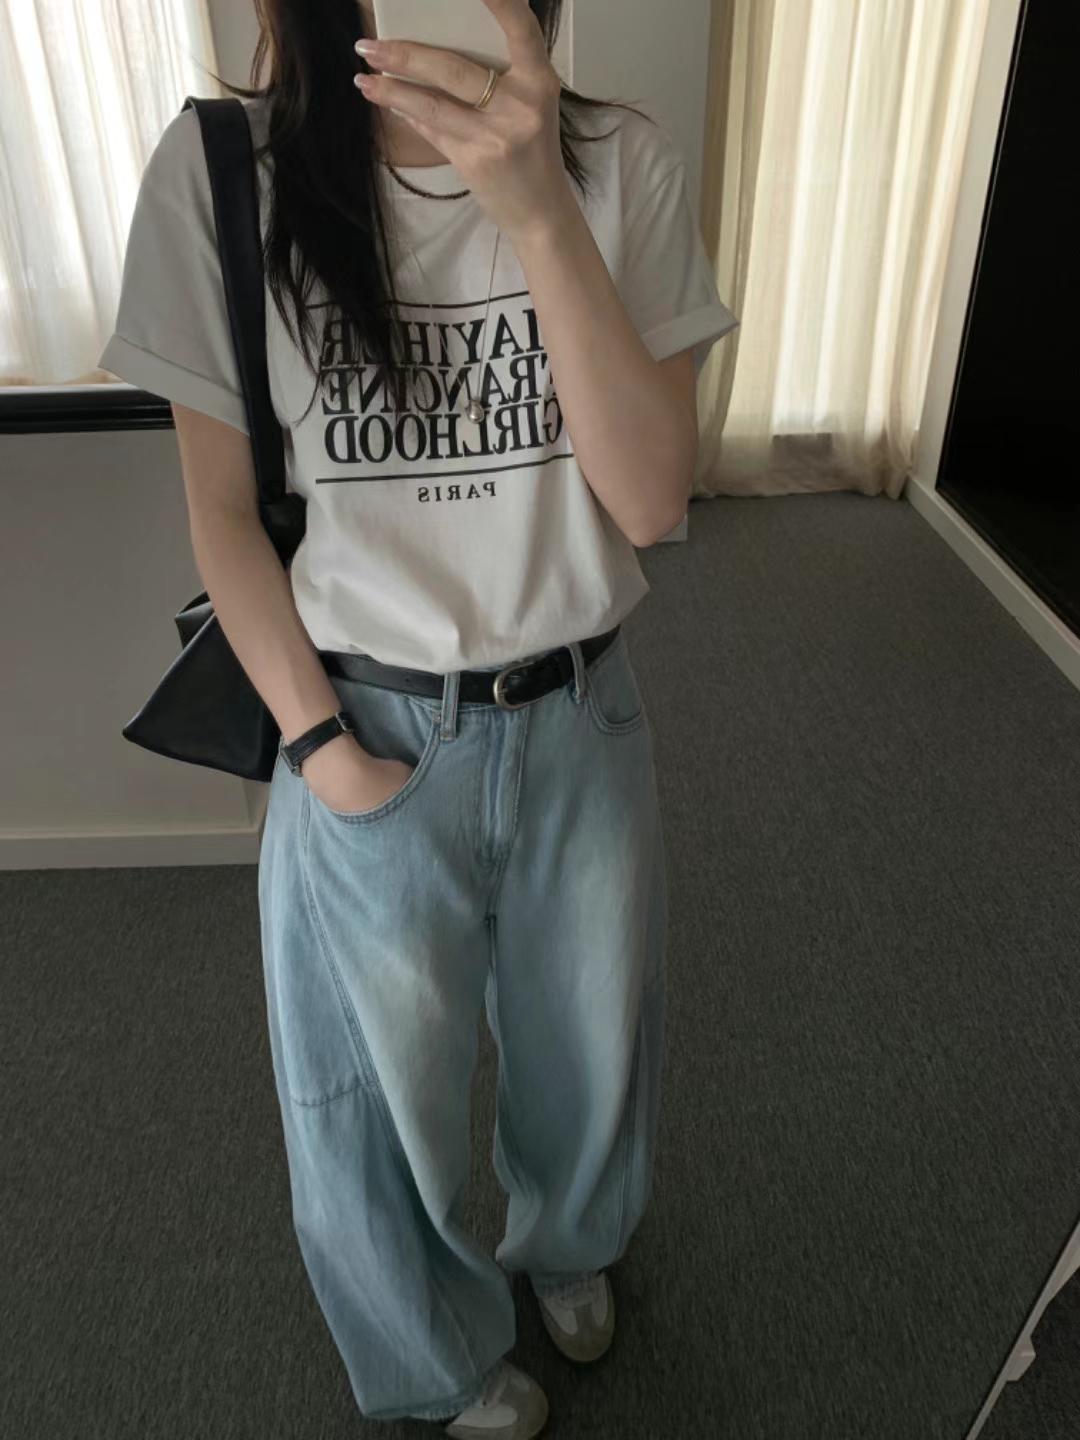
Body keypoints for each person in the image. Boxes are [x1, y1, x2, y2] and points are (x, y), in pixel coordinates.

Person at [99, 1, 738, 1434]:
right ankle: (438, 1360)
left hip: (578, 709)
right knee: (371, 1098)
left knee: (591, 1051)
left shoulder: (619, 164)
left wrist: (540, 216)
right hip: (365, 719)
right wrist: (322, 752)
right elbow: (221, 514)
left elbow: (650, 500)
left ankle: (570, 1244)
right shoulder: (226, 175)